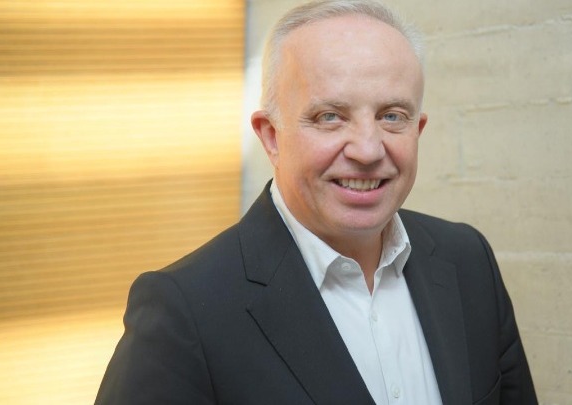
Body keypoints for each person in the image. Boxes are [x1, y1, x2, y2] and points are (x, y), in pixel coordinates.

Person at [95, 1, 537, 404]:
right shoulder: (184, 312)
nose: (368, 149)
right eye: (330, 117)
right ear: (271, 136)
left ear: (417, 130)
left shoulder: (468, 261)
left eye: (391, 116)